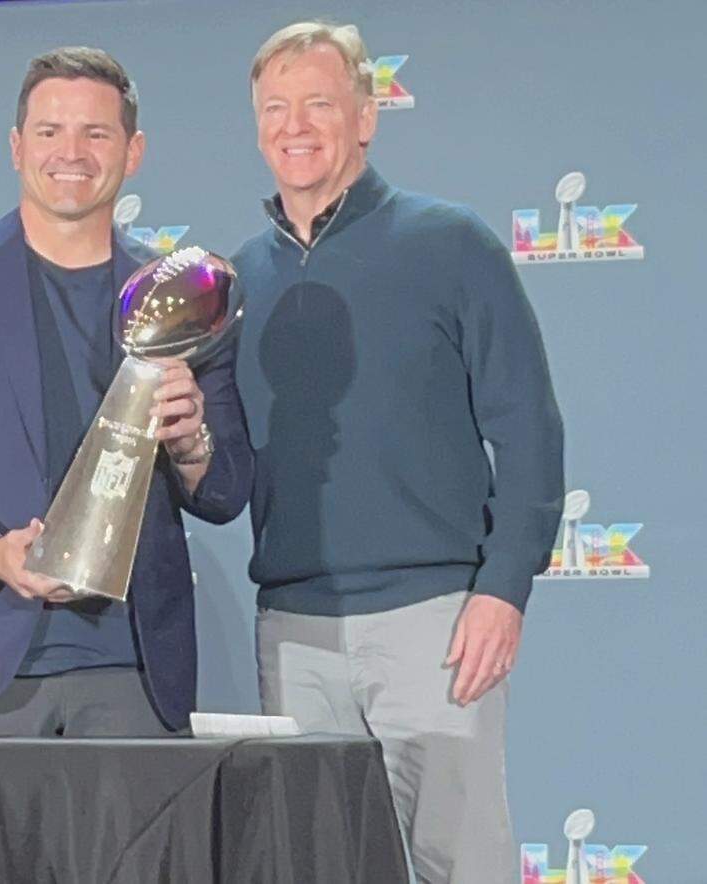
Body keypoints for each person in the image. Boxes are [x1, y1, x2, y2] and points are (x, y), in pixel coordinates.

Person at [232, 21, 564, 882]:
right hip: (294, 631)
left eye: (318, 103)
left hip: (437, 624)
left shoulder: (451, 243)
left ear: (366, 116)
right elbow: (224, 471)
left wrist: (502, 589)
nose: (295, 125)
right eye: (276, 107)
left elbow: (529, 427)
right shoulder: (237, 281)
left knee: (463, 866)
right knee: (314, 867)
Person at [0, 47, 252, 737]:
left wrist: (190, 446)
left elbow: (226, 490)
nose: (72, 152)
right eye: (49, 132)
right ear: (15, 146)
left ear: (134, 151)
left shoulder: (180, 297)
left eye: (96, 133)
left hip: (132, 673)